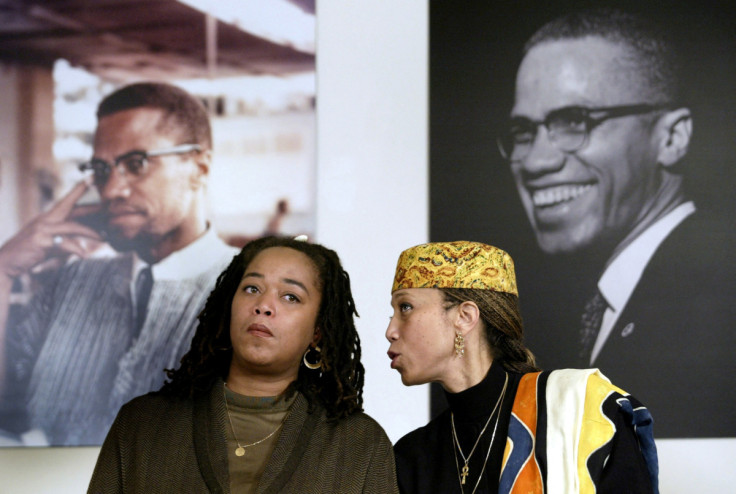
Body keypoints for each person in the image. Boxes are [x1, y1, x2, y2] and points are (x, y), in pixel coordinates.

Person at [496, 8, 736, 437]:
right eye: (522, 132)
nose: (535, 161)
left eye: (574, 122)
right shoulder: (585, 306)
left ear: (671, 138)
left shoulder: (715, 305)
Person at [0, 82, 238, 445]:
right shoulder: (71, 283)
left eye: (135, 164)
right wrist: (3, 272)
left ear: (199, 168)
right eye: (101, 169)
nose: (111, 190)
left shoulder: (250, 294)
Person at [88, 236, 399, 493]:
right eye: (252, 288)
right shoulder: (142, 425)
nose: (263, 305)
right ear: (229, 308)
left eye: (290, 297)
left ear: (317, 333)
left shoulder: (359, 445)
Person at [387, 241, 658, 494]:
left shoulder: (585, 411)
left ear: (465, 317)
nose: (390, 331)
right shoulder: (412, 457)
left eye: (406, 307)